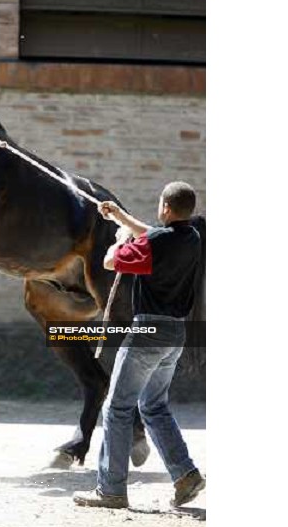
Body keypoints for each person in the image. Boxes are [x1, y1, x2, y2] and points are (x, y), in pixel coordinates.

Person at [73, 181, 206, 509]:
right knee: (154, 407)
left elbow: (108, 262)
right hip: (176, 336)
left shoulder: (154, 244)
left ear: (165, 208)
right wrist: (121, 217)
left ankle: (111, 490)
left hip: (147, 333)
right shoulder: (192, 238)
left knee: (116, 409)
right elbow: (154, 234)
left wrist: (119, 240)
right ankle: (185, 474)